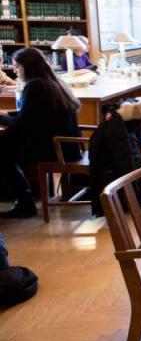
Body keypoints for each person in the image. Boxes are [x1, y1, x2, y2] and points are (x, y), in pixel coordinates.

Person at [0, 48, 82, 218]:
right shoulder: (54, 82)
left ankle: (25, 202)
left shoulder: (35, 86)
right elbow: (36, 115)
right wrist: (8, 116)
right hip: (65, 146)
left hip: (51, 150)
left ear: (27, 67)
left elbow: (23, 124)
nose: (16, 71)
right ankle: (27, 196)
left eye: (17, 66)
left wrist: (2, 118)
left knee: (2, 151)